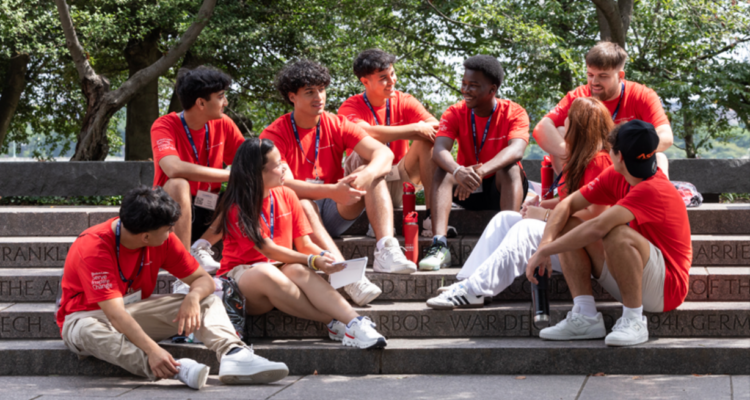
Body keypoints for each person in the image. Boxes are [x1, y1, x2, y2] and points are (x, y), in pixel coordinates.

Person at [56, 186, 289, 389]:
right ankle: (174, 369)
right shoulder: (94, 247)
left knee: (208, 300)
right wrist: (153, 350)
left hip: (132, 311)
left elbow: (204, 280)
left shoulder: (162, 239)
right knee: (87, 331)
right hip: (85, 317)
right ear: (146, 237)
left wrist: (193, 297)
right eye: (168, 229)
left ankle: (234, 355)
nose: (171, 233)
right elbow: (115, 314)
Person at [427, 97, 612, 309]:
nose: (563, 124)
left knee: (525, 229)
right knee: (505, 219)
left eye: (568, 119)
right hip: (570, 240)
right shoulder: (580, 158)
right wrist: (544, 204)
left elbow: (596, 214)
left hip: (585, 250)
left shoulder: (599, 160)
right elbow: (575, 201)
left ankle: (475, 290)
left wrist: (543, 215)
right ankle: (468, 281)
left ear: (579, 126)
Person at [525, 120, 691, 347]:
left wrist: (543, 251)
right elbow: (567, 204)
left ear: (618, 155)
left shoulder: (654, 188)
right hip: (637, 274)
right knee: (567, 223)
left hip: (666, 289)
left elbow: (598, 227)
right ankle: (585, 317)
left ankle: (634, 320)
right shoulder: (617, 175)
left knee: (617, 234)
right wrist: (546, 243)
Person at [260, 59, 411, 305]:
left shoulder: (336, 123)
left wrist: (365, 175)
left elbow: (384, 154)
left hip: (333, 208)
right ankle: (347, 276)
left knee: (370, 172)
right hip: (294, 219)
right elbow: (280, 183)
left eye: (321, 89)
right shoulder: (275, 133)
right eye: (309, 92)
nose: (319, 97)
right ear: (292, 97)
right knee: (304, 202)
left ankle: (386, 249)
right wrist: (332, 190)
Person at [214, 138, 388, 349]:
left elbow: (304, 244)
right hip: (242, 279)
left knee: (297, 270)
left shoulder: (287, 194)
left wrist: (325, 258)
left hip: (280, 272)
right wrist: (313, 260)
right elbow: (267, 248)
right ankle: (332, 322)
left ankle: (356, 322)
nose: (284, 167)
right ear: (258, 173)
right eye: (277, 165)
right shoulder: (238, 205)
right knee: (267, 273)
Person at [420, 55, 529, 271]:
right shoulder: (454, 112)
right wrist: (458, 171)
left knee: (511, 169)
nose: (466, 90)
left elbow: (517, 149)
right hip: (466, 189)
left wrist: (480, 172)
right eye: (464, 84)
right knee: (443, 170)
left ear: (492, 89)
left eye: (474, 86)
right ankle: (439, 245)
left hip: (501, 188)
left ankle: (506, 245)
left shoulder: (514, 112)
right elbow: (440, 149)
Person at [338, 49, 448, 237]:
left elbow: (435, 127)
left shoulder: (405, 100)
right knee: (367, 147)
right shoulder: (350, 106)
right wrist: (414, 129)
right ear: (365, 82)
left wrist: (419, 130)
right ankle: (378, 224)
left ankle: (431, 220)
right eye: (383, 78)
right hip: (363, 184)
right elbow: (364, 132)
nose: (392, 81)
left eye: (393, 74)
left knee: (426, 143)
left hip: (399, 177)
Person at [151, 66, 245, 273]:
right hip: (170, 211)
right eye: (220, 97)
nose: (226, 103)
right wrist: (231, 174)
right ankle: (184, 269)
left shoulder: (224, 124)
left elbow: (249, 161)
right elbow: (172, 167)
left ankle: (200, 247)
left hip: (210, 209)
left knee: (249, 185)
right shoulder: (164, 125)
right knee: (178, 183)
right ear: (201, 103)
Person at [533, 41, 673, 177]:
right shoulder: (579, 95)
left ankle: (654, 199)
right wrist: (571, 153)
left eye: (603, 76)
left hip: (626, 163)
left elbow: (666, 137)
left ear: (620, 76)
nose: (594, 82)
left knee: (659, 158)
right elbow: (541, 129)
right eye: (590, 75)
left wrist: (622, 151)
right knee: (561, 131)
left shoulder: (642, 95)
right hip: (589, 164)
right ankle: (569, 193)